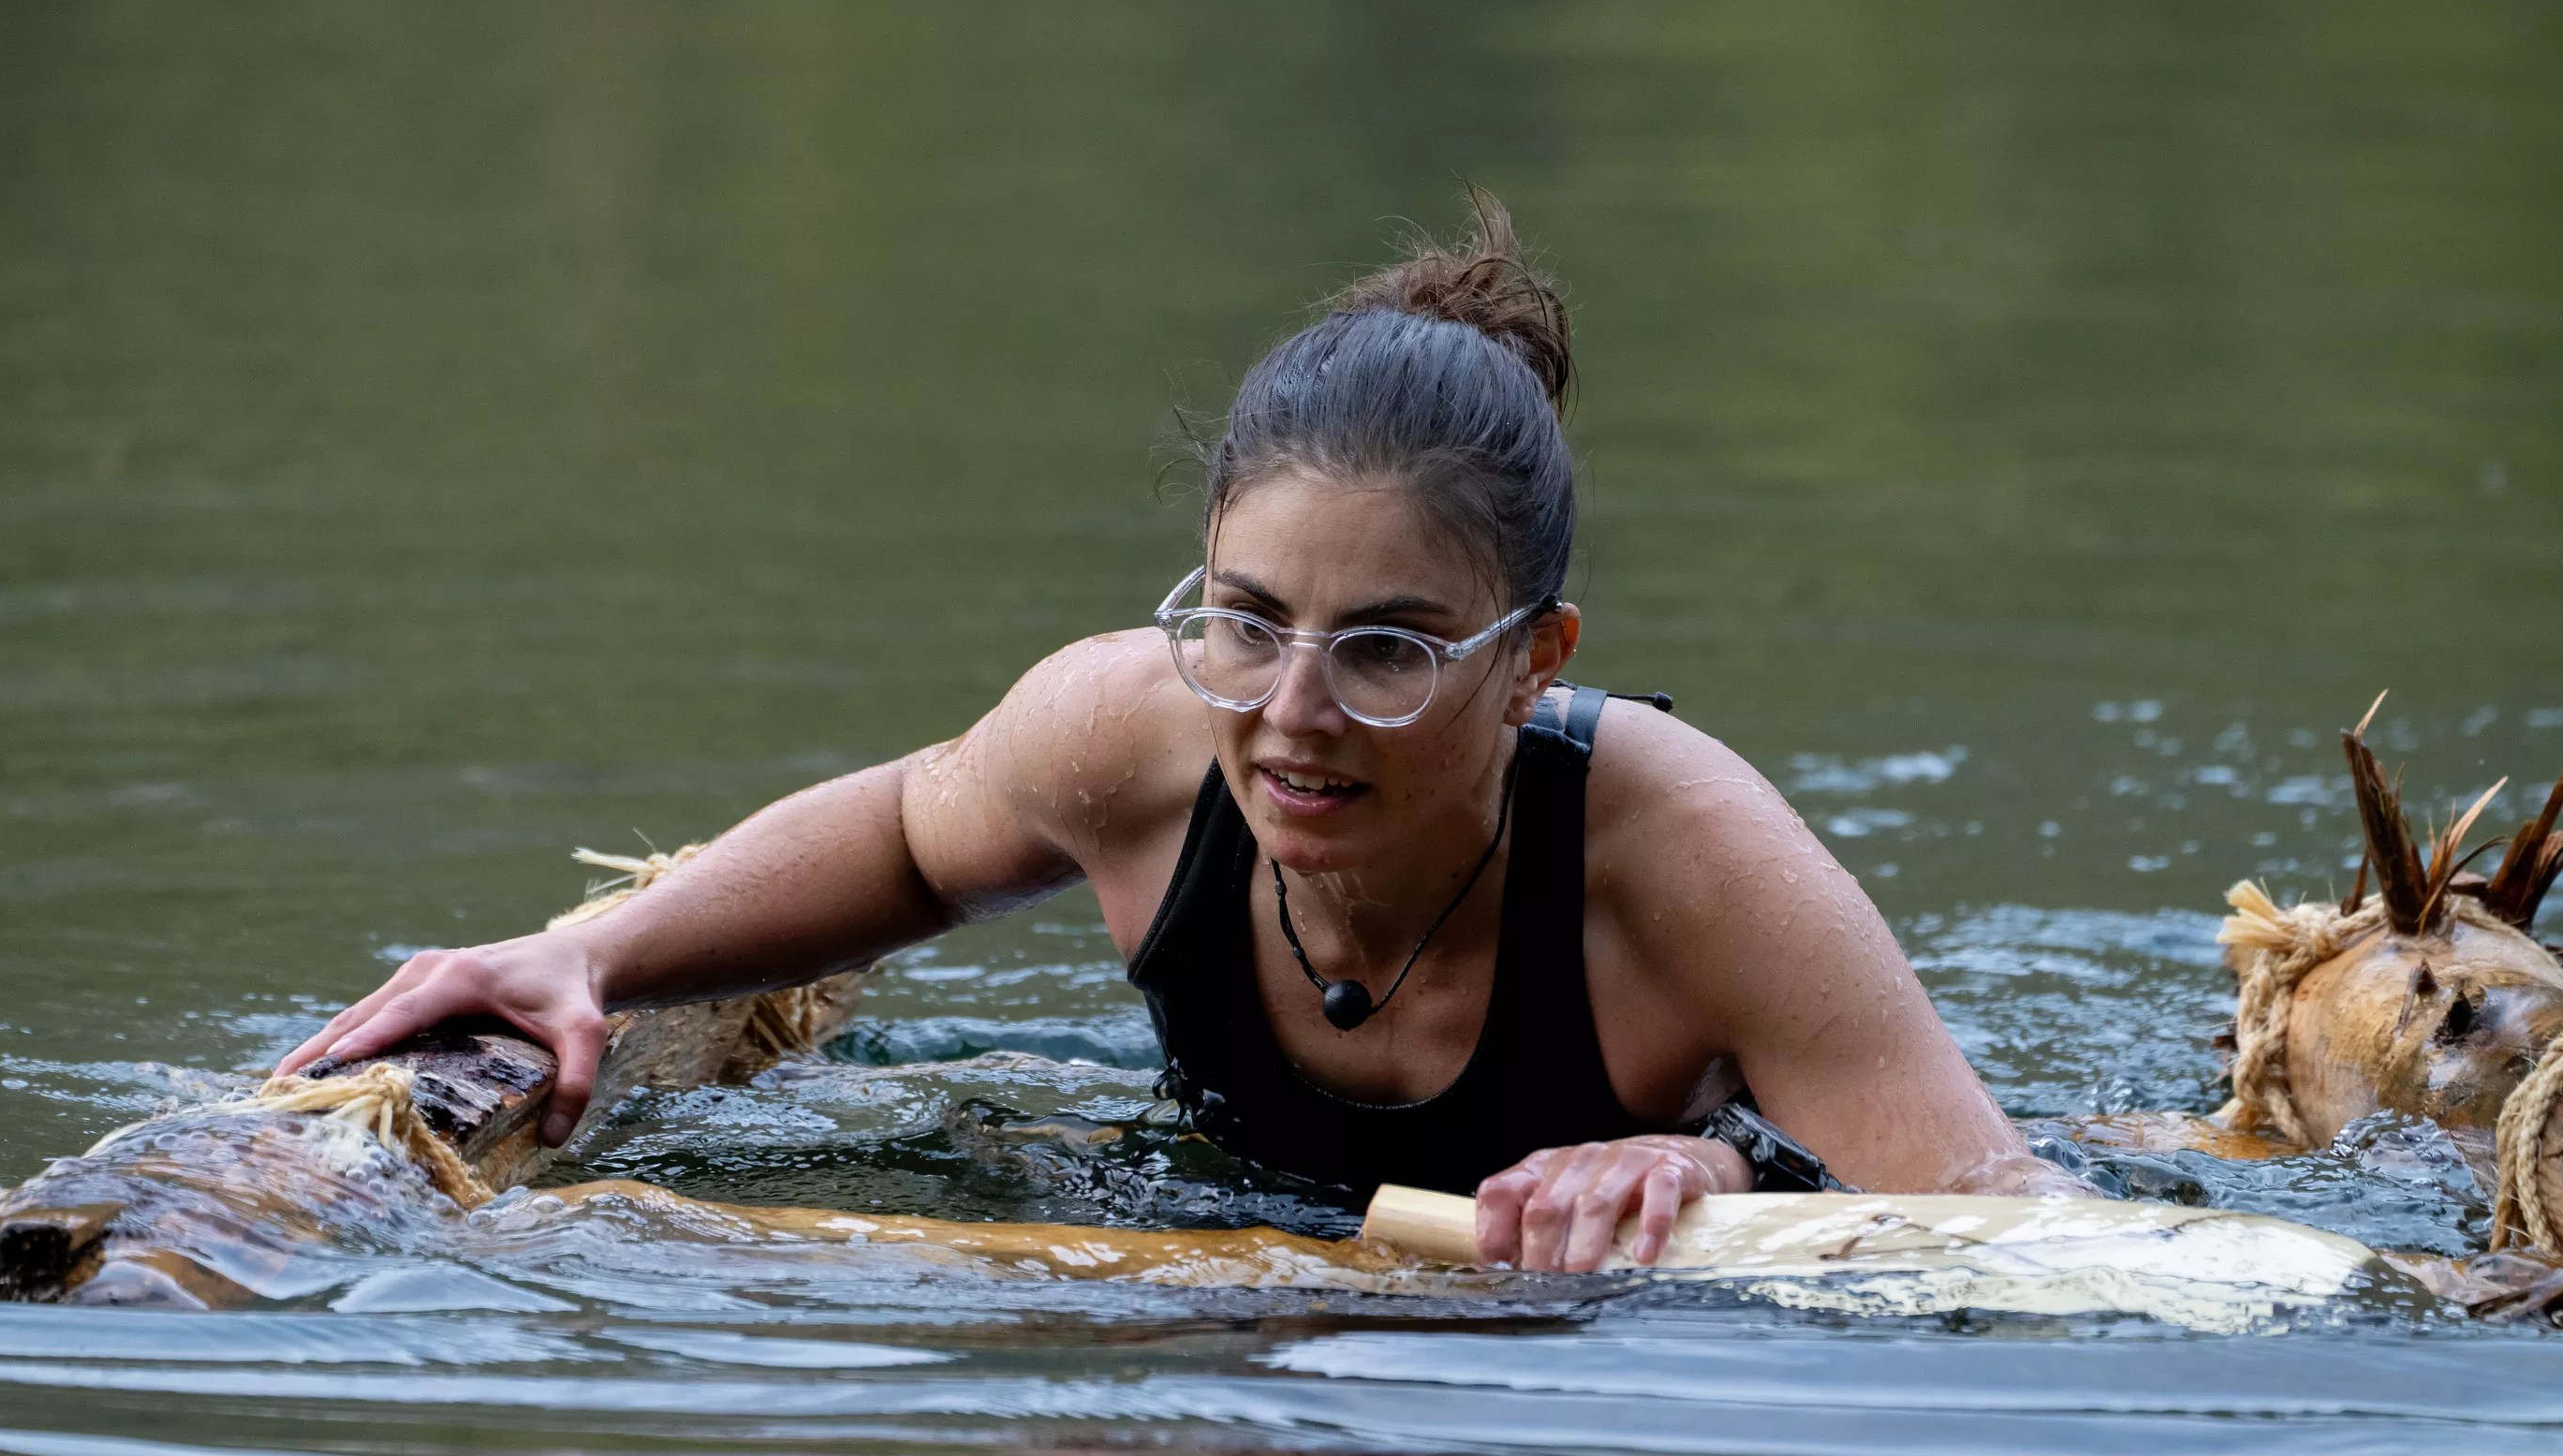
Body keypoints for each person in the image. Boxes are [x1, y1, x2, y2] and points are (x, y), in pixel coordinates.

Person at [281, 192, 2068, 1272]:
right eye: (1247, 621)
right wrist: (585, 957)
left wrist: (1718, 1168)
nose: (1290, 716)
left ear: (1538, 663)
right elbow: (913, 834)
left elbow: (2012, 1222)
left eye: (1388, 649)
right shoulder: (1133, 735)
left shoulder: (1680, 851)